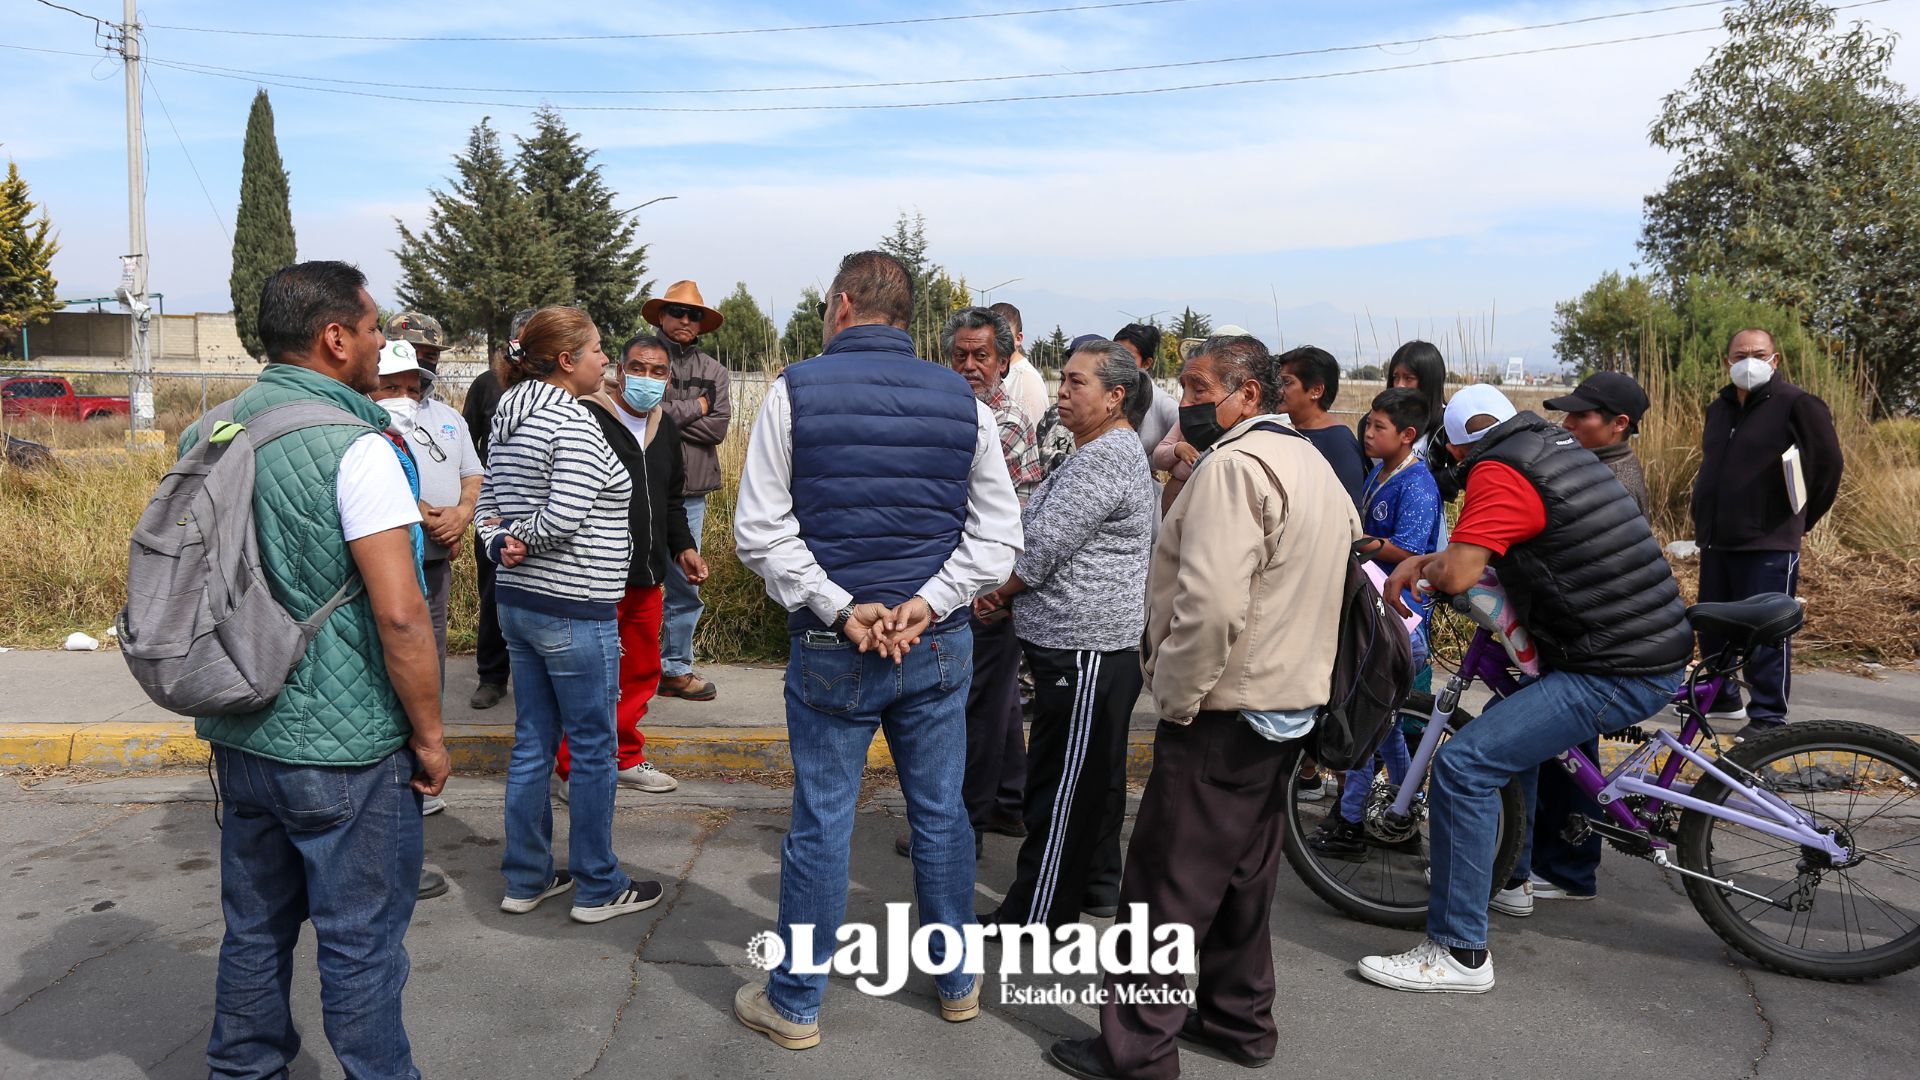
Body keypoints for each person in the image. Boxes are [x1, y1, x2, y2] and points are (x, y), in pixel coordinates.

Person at [1045, 334, 1360, 1080]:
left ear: (1249, 396)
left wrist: (1177, 699)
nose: (1184, 402)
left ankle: (1137, 1050)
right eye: (1183, 388)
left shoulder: (1235, 470)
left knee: (1163, 885)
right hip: (1287, 704)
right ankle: (1236, 1018)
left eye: (1198, 387)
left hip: (1226, 706)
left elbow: (1211, 607)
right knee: (1244, 876)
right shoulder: (1310, 464)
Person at [731, 250, 1022, 1051]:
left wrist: (842, 605)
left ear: (842, 303)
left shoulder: (795, 389)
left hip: (837, 641)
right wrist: (927, 603)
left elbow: (759, 530)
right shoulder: (964, 402)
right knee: (940, 816)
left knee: (823, 823)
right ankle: (957, 981)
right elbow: (999, 537)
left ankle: (796, 1001)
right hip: (934, 644)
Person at [185, 260, 449, 1079]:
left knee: (254, 931)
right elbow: (402, 613)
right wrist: (432, 737)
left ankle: (242, 1070)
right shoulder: (356, 447)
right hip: (342, 753)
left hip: (239, 725)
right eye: (374, 330)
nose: (382, 345)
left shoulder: (213, 431)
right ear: (335, 338)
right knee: (361, 944)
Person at [1355, 385, 1692, 994]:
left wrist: (1430, 566)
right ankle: (1510, 881)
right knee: (1511, 732)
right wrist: (1430, 557)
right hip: (1637, 642)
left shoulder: (1499, 471)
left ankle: (1458, 952)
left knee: (1464, 762)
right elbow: (1500, 545)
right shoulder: (1551, 445)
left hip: (1616, 664)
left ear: (1455, 446)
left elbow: (1459, 572)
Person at [476, 305, 662, 924]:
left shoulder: (508, 417)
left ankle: (526, 878)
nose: (606, 361)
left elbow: (488, 507)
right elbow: (564, 516)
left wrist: (501, 542)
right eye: (598, 350)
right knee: (592, 748)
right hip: (575, 606)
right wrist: (525, 535)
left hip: (520, 604)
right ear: (565, 361)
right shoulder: (574, 426)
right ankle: (598, 884)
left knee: (533, 743)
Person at [977, 338, 1154, 930]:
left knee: (1059, 791)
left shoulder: (1105, 457)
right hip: (1091, 649)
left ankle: (1038, 909)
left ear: (1115, 396)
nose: (1063, 393)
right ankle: (1099, 885)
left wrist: (998, 595)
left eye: (1078, 383)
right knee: (1092, 782)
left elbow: (1041, 546)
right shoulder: (1099, 450)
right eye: (1064, 380)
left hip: (1084, 651)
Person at [895, 306, 1043, 859]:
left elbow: (1019, 512)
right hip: (953, 584)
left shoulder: (1002, 422)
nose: (970, 365)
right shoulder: (946, 411)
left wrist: (995, 589)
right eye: (960, 355)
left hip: (979, 588)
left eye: (983, 356)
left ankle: (964, 828)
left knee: (972, 712)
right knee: (997, 703)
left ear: (1004, 362)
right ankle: (1007, 803)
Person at [553, 331, 710, 798]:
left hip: (646, 578)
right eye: (638, 368)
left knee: (639, 673)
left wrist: (683, 548)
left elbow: (671, 500)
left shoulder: (666, 430)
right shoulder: (587, 419)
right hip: (593, 579)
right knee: (588, 678)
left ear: (669, 380)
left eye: (658, 372)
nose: (647, 378)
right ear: (619, 372)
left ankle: (625, 757)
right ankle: (570, 769)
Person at [1690, 329, 1843, 740]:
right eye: (1740, 354)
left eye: (1759, 353)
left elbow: (1827, 466)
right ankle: (1720, 696)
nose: (1749, 360)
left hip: (1769, 542)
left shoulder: (1798, 404)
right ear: (1727, 362)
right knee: (1713, 625)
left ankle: (1769, 719)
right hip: (1717, 538)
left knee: (1767, 633)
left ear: (1775, 360)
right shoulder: (1718, 408)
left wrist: (1798, 519)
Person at [1308, 388, 1442, 859]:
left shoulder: (1418, 484)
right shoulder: (1383, 472)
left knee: (1365, 722)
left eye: (1378, 427)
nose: (1368, 433)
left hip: (1398, 621)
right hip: (1379, 614)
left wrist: (1359, 540)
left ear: (1408, 435)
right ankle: (1400, 819)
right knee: (1384, 729)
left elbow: (1412, 550)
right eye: (1367, 424)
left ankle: (1349, 823)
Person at [368, 338, 482, 821]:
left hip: (435, 563)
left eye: (412, 387)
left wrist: (461, 513)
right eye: (391, 386)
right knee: (389, 659)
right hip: (389, 560)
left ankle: (421, 763)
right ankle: (389, 774)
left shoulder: (449, 420)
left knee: (426, 661)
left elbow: (474, 474)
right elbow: (381, 484)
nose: (404, 396)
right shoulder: (365, 427)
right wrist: (421, 515)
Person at [647, 280, 733, 703]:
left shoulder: (715, 370)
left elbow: (717, 428)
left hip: (691, 493)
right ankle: (632, 667)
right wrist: (696, 406)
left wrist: (669, 414)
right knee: (629, 579)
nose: (685, 320)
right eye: (677, 312)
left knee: (685, 583)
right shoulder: (644, 359)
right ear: (661, 315)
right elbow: (641, 408)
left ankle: (675, 668)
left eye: (693, 314)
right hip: (638, 489)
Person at [464, 308, 535, 711]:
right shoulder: (487, 385)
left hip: (544, 511)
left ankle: (539, 676)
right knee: (493, 593)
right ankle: (492, 676)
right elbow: (466, 446)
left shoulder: (564, 389)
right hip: (496, 510)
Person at [1547, 370, 1652, 516]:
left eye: (1582, 415)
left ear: (1619, 423)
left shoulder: (1616, 489)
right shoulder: (1600, 466)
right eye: (1569, 413)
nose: (1566, 423)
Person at [1277, 345, 1367, 502]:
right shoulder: (1282, 431)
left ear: (1316, 391)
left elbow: (1350, 509)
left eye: (1287, 382)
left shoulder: (1338, 443)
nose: (1279, 390)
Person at [1114, 322, 1175, 454]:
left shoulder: (1162, 402)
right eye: (1115, 356)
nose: (1119, 363)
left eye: (1127, 358)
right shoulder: (1108, 395)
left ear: (1147, 363)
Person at [1384, 340, 1448, 458]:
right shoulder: (1377, 421)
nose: (1399, 385)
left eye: (1408, 378)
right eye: (1395, 377)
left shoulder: (1449, 427)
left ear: (1428, 382)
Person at [994, 300, 1051, 429]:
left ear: (1018, 339)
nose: (996, 343)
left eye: (1004, 337)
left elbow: (1035, 435)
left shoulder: (1027, 381)